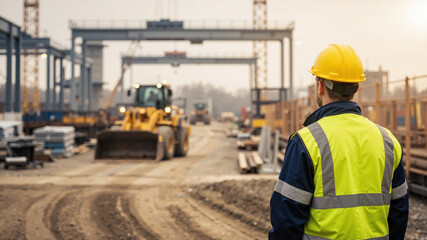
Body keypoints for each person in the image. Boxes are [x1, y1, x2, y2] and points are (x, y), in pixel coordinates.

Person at [269, 44, 408, 240]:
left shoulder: (306, 142)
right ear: (357, 88)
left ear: (319, 86)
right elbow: (399, 212)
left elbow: (286, 220)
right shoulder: (388, 141)